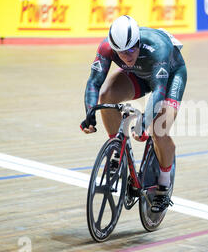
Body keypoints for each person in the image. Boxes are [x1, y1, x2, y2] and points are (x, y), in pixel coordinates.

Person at [80, 15, 187, 213]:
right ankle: (117, 149)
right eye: (120, 52)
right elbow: (94, 83)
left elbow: (158, 92)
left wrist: (143, 124)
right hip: (139, 74)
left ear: (138, 42)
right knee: (106, 96)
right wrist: (89, 115)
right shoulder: (106, 48)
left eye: (130, 50)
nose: (126, 56)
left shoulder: (157, 47)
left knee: (158, 129)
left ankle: (163, 187)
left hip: (169, 76)